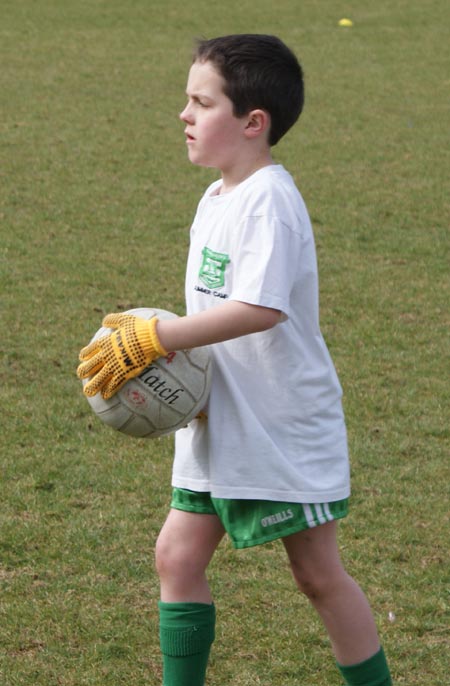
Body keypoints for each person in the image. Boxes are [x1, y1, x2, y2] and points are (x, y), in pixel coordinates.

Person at [77, 34, 392, 686]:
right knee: (176, 556)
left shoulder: (269, 200)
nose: (184, 115)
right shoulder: (217, 197)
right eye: (186, 100)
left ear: (253, 123)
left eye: (201, 102)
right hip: (220, 423)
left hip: (279, 424)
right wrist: (175, 363)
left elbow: (261, 307)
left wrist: (163, 339)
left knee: (317, 576)